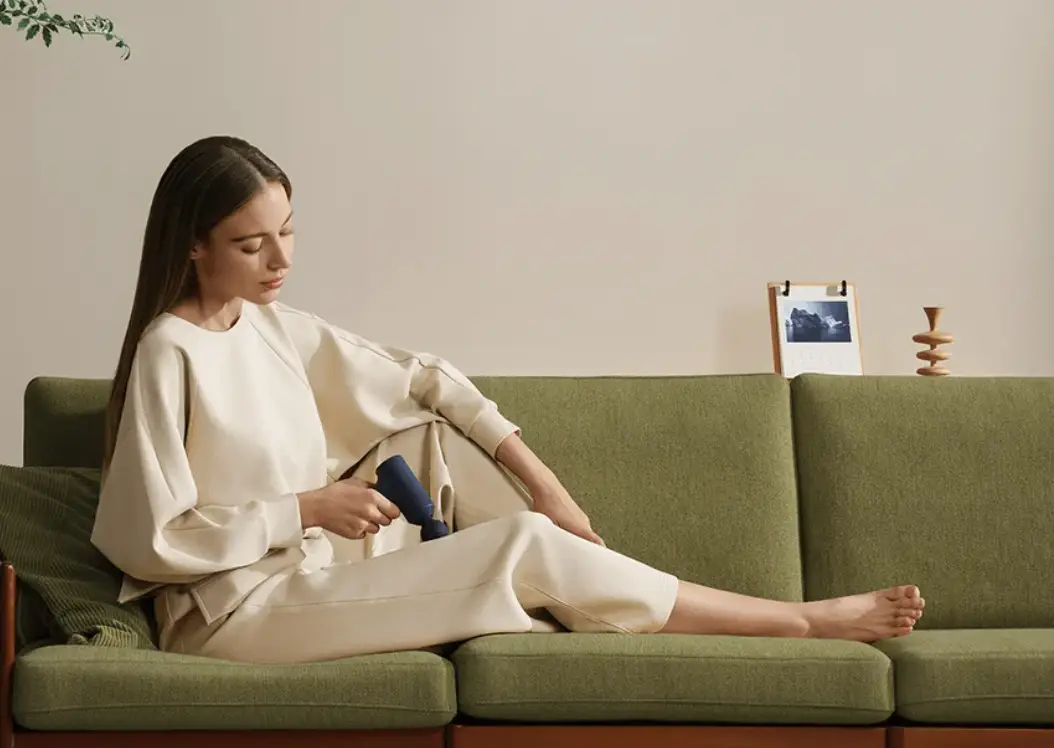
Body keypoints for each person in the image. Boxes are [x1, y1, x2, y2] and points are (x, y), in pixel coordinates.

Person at [91, 136, 925, 664]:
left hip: (307, 573)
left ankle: (559, 587)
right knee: (520, 546)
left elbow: (424, 377)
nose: (281, 260)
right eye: (251, 244)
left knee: (430, 440)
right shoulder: (170, 350)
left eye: (288, 231)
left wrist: (545, 484)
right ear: (192, 245)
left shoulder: (269, 327)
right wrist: (306, 507)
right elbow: (149, 540)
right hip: (231, 613)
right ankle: (795, 622)